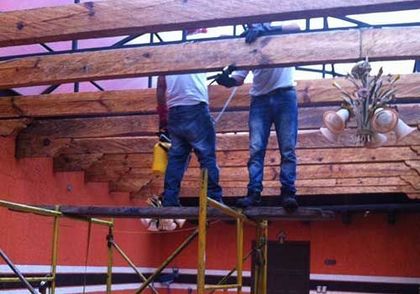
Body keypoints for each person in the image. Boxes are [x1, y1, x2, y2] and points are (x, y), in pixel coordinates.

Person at [215, 23, 300, 211]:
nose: (252, 26)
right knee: (256, 149)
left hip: (284, 94)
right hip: (260, 99)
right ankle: (254, 192)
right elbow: (239, 77)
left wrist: (267, 31)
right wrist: (227, 81)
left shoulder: (279, 36)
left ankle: (288, 192)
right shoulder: (249, 45)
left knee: (287, 147)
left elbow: (297, 27)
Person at [156, 73, 223, 207]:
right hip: (195, 106)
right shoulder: (197, 54)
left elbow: (160, 85)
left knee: (176, 158)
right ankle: (213, 198)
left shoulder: (166, 57)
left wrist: (163, 116)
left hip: (174, 111)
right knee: (207, 157)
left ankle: (170, 200)